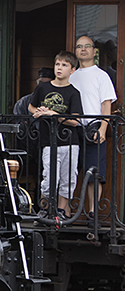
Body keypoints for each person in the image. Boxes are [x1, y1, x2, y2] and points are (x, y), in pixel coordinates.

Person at [29, 51, 84, 217]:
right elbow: (31, 106)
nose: (59, 68)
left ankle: (61, 211)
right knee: (49, 177)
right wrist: (39, 111)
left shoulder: (74, 92)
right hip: (48, 140)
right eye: (57, 64)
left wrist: (53, 114)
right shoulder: (43, 87)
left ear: (72, 70)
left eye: (64, 65)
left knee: (68, 178)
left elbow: (75, 121)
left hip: (70, 142)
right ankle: (45, 210)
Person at [70, 34, 118, 209]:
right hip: (72, 128)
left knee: (94, 173)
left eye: (87, 46)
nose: (83, 49)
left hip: (93, 128)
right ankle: (65, 212)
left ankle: (92, 213)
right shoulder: (71, 75)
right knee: (69, 171)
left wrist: (103, 128)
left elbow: (106, 105)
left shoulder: (101, 75)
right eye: (79, 46)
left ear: (94, 51)